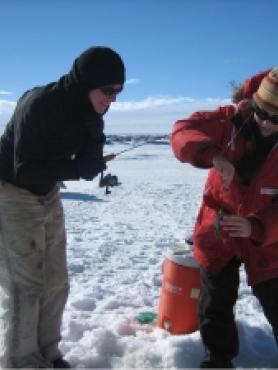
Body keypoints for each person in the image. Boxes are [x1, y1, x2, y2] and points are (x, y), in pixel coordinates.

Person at [0, 46, 125, 368]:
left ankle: (48, 352)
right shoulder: (41, 105)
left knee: (56, 280)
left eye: (119, 91)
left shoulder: (91, 112)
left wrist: (92, 156)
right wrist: (74, 170)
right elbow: (23, 168)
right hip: (11, 191)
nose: (113, 98)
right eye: (108, 90)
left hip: (48, 192)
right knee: (25, 284)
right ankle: (21, 360)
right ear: (86, 83)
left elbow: (90, 149)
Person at [171, 67, 278, 368]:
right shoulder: (229, 121)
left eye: (277, 119)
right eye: (262, 114)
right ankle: (218, 361)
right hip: (218, 231)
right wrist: (211, 155)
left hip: (267, 238)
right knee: (215, 305)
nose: (267, 124)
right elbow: (183, 130)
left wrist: (256, 226)